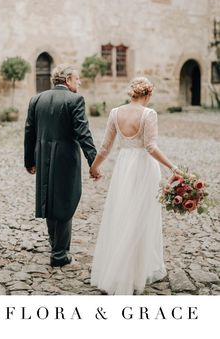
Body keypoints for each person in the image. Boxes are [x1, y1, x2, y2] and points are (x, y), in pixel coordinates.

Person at [89, 77, 181, 295]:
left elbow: (104, 148)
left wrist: (94, 168)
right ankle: (138, 269)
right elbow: (150, 147)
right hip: (144, 168)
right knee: (142, 217)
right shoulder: (149, 114)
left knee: (123, 214)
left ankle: (120, 269)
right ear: (148, 95)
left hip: (123, 167)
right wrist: (172, 166)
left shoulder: (114, 113)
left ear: (132, 94)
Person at [24, 64, 99, 268]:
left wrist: (29, 161)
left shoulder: (36, 99)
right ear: (67, 80)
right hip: (65, 158)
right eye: (77, 79)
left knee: (49, 199)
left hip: (43, 157)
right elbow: (83, 134)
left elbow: (29, 133)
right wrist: (94, 162)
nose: (80, 82)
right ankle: (59, 254)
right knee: (66, 201)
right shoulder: (75, 100)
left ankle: (54, 243)